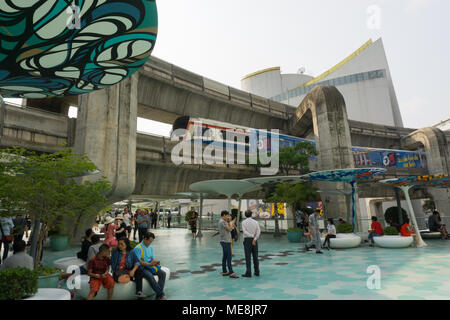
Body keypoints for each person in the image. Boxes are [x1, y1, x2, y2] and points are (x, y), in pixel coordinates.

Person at [134, 232, 167, 300]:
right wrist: (150, 264)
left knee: (163, 273)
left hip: (150, 266)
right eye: (150, 241)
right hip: (142, 267)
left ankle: (158, 296)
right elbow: (138, 262)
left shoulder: (150, 247)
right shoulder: (138, 248)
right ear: (145, 239)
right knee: (150, 276)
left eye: (151, 241)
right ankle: (161, 295)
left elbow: (152, 258)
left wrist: (156, 261)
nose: (150, 243)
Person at [218, 211, 239, 278]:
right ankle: (231, 272)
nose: (228, 217)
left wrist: (230, 222)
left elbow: (228, 228)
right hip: (225, 241)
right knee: (229, 257)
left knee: (225, 256)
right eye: (227, 216)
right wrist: (233, 222)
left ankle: (224, 271)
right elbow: (230, 229)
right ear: (224, 215)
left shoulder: (223, 221)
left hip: (225, 241)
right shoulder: (222, 222)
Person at [241, 210, 260, 277]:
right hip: (254, 240)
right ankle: (257, 271)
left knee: (247, 257)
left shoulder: (243, 222)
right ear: (251, 214)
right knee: (255, 256)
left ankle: (248, 272)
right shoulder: (256, 222)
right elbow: (258, 231)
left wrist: (251, 236)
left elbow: (244, 231)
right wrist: (254, 238)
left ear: (245, 215)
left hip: (247, 240)